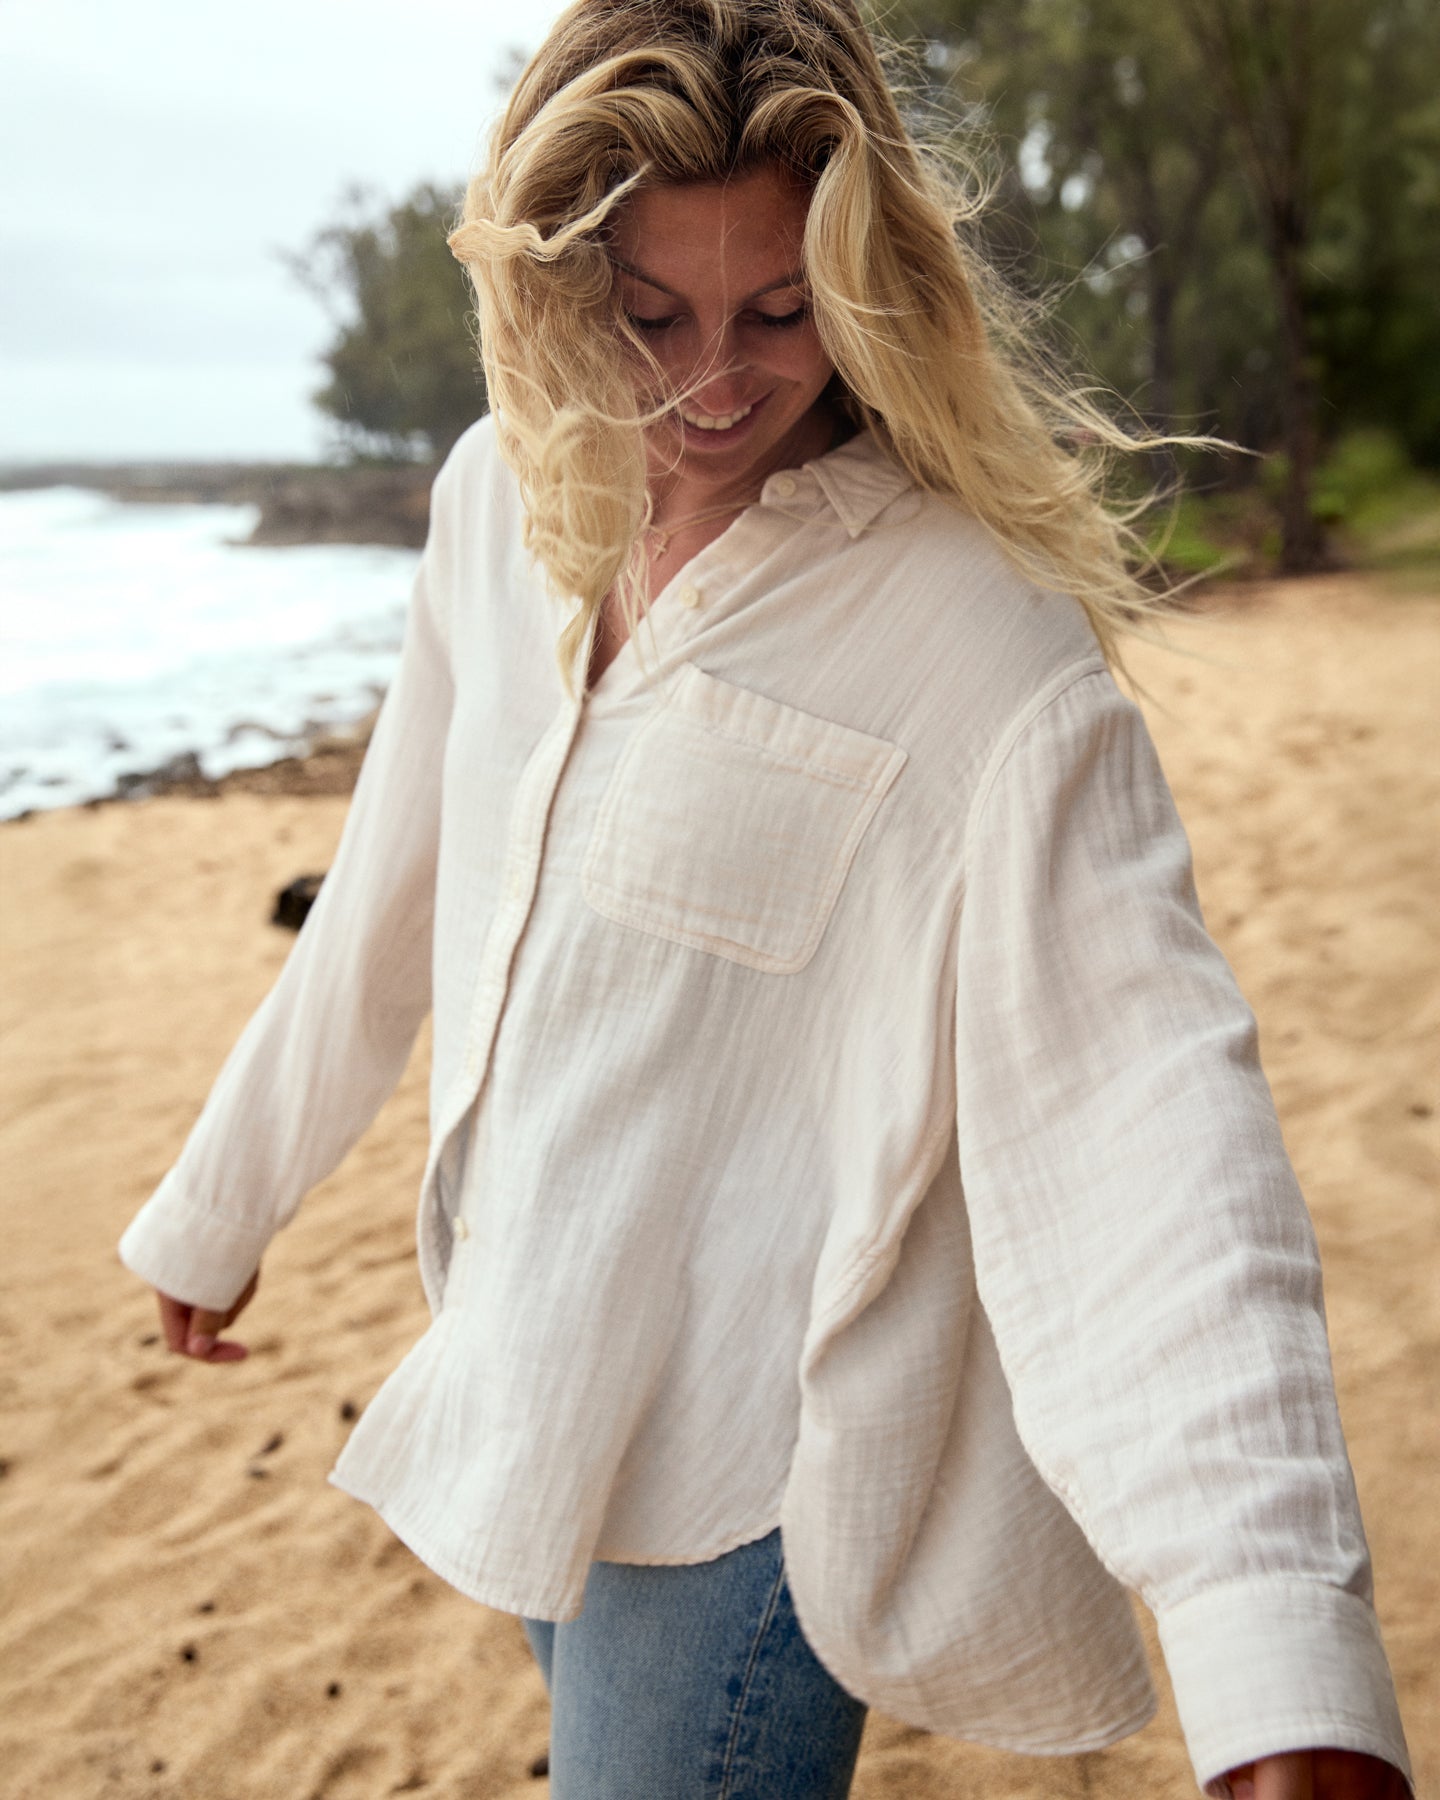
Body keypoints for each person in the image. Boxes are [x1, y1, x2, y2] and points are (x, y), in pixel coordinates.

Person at [117, 3, 1414, 1796]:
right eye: (649, 315)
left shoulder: (980, 638)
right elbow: (391, 887)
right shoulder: (495, 499)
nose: (712, 384)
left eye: (782, 311)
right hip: (524, 1366)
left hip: (752, 1476)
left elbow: (1148, 1115)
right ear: (552, 281)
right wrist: (222, 1198)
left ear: (866, 285)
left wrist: (1282, 1661)